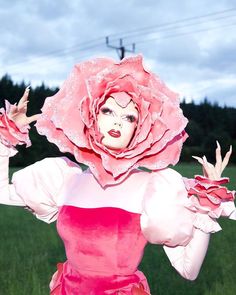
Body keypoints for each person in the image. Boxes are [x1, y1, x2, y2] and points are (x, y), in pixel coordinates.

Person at [0, 55, 235, 295]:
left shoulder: (154, 187)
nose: (118, 122)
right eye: (108, 110)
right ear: (92, 116)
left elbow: (189, 270)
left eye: (129, 117)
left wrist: (208, 203)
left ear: (140, 127)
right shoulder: (67, 179)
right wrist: (6, 137)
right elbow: (2, 192)